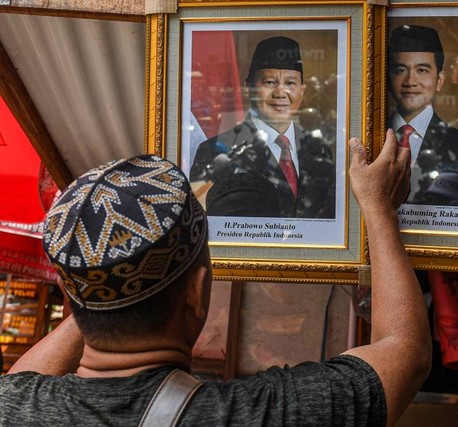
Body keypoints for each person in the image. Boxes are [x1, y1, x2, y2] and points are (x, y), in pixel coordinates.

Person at [0, 130, 430, 426]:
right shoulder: (263, 415)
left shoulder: (13, 409)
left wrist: (98, 284)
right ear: (198, 293)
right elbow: (404, 351)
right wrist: (378, 207)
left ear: (70, 298)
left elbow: (20, 381)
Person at [190, 36, 336, 219]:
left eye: (290, 83)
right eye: (269, 82)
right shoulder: (213, 151)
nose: (281, 93)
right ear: (249, 88)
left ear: (302, 90)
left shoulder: (318, 149)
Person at [388, 25, 458, 207]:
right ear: (388, 78)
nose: (410, 81)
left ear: (440, 81)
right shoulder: (364, 138)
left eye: (422, 70)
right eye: (400, 70)